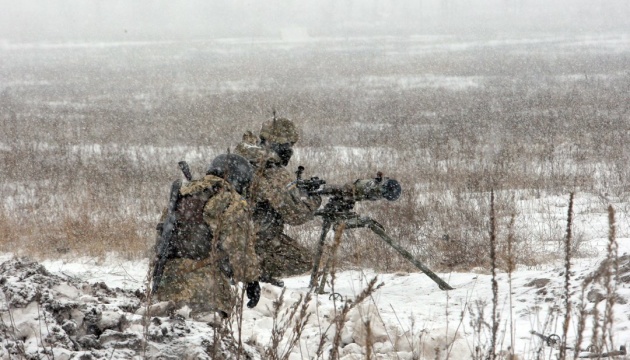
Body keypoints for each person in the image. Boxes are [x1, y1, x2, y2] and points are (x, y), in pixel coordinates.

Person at [152, 154, 260, 322]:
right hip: (204, 287)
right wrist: (251, 280)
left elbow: (161, 238)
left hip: (166, 280)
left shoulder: (185, 193)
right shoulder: (230, 200)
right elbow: (240, 247)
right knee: (206, 331)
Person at [234, 117, 322, 284]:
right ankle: (249, 273)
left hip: (230, 235)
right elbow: (295, 216)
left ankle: (243, 269)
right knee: (302, 260)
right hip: (251, 239)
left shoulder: (243, 159)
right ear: (283, 146)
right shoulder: (271, 169)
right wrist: (313, 200)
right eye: (289, 145)